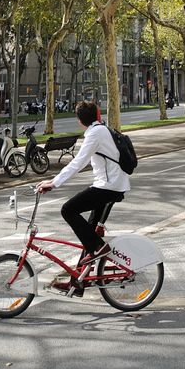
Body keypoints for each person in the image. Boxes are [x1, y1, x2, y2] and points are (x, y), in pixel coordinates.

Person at [38, 100, 129, 291]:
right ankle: (78, 282)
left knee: (68, 209)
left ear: (80, 121)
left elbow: (78, 162)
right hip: (111, 185)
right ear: (97, 115)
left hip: (108, 187)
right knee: (88, 232)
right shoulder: (101, 130)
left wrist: (53, 183)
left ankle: (99, 248)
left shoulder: (95, 133)